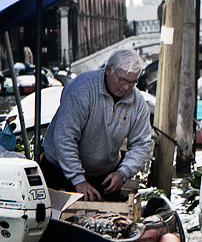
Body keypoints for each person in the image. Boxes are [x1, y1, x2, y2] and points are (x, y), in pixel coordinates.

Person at [41, 49, 153, 202]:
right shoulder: (81, 89)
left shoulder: (138, 102)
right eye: (122, 80)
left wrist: (123, 173)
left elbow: (142, 145)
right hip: (59, 169)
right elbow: (65, 137)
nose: (126, 87)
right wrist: (78, 180)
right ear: (108, 70)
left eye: (132, 82)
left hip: (104, 175)